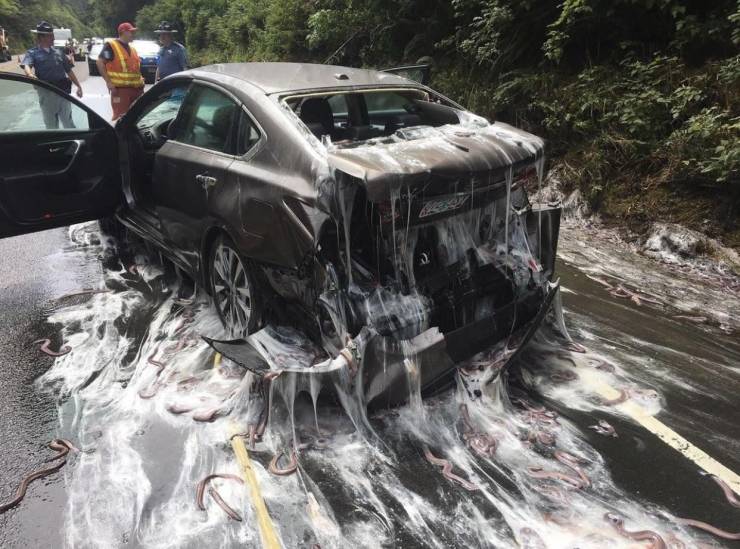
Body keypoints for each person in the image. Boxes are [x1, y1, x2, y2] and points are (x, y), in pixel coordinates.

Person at [21, 21, 83, 129]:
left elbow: (69, 71)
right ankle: (54, 146)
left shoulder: (59, 52)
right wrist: (30, 74)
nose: (54, 38)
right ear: (42, 37)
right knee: (51, 126)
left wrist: (79, 86)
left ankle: (73, 141)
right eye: (51, 36)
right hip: (47, 93)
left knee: (68, 123)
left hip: (63, 92)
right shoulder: (33, 53)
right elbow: (27, 65)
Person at [97, 22, 145, 121]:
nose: (133, 34)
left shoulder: (133, 50)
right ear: (123, 32)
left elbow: (135, 71)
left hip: (137, 90)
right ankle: (116, 137)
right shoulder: (111, 45)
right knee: (120, 119)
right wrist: (109, 82)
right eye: (131, 32)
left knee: (137, 119)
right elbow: (100, 62)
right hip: (120, 91)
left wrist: (141, 82)